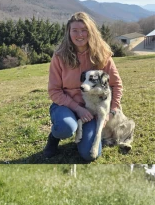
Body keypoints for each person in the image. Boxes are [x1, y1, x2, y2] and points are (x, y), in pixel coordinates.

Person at [44, 12, 123, 161]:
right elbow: (54, 91)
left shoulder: (102, 54)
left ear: (91, 31)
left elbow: (116, 84)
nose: (80, 34)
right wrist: (77, 108)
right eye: (75, 30)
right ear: (68, 32)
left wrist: (111, 111)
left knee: (89, 155)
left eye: (84, 30)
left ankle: (83, 136)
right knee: (65, 127)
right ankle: (55, 136)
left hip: (91, 110)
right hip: (65, 105)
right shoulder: (59, 56)